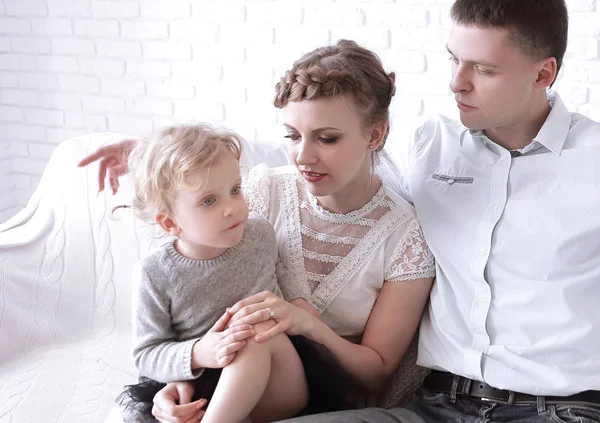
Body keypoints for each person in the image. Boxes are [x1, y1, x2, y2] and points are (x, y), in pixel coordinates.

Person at [79, 40, 436, 422]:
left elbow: (375, 373)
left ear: (375, 135)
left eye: (327, 138)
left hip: (311, 397)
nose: (303, 156)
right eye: (292, 136)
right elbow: (196, 236)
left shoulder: (404, 239)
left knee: (255, 327)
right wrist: (176, 385)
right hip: (223, 381)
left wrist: (309, 325)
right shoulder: (263, 191)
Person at [277, 0, 600, 422]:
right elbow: (344, 187)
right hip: (433, 407)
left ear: (543, 73)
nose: (456, 83)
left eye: (483, 69)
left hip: (559, 410)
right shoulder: (431, 146)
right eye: (454, 59)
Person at [116, 123, 315, 423]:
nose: (232, 208)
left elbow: (283, 279)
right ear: (170, 224)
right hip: (207, 390)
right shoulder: (155, 274)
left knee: (252, 325)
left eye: (235, 190)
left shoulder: (259, 233)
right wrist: (197, 353)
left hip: (277, 380)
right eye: (209, 200)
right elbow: (147, 354)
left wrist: (300, 305)